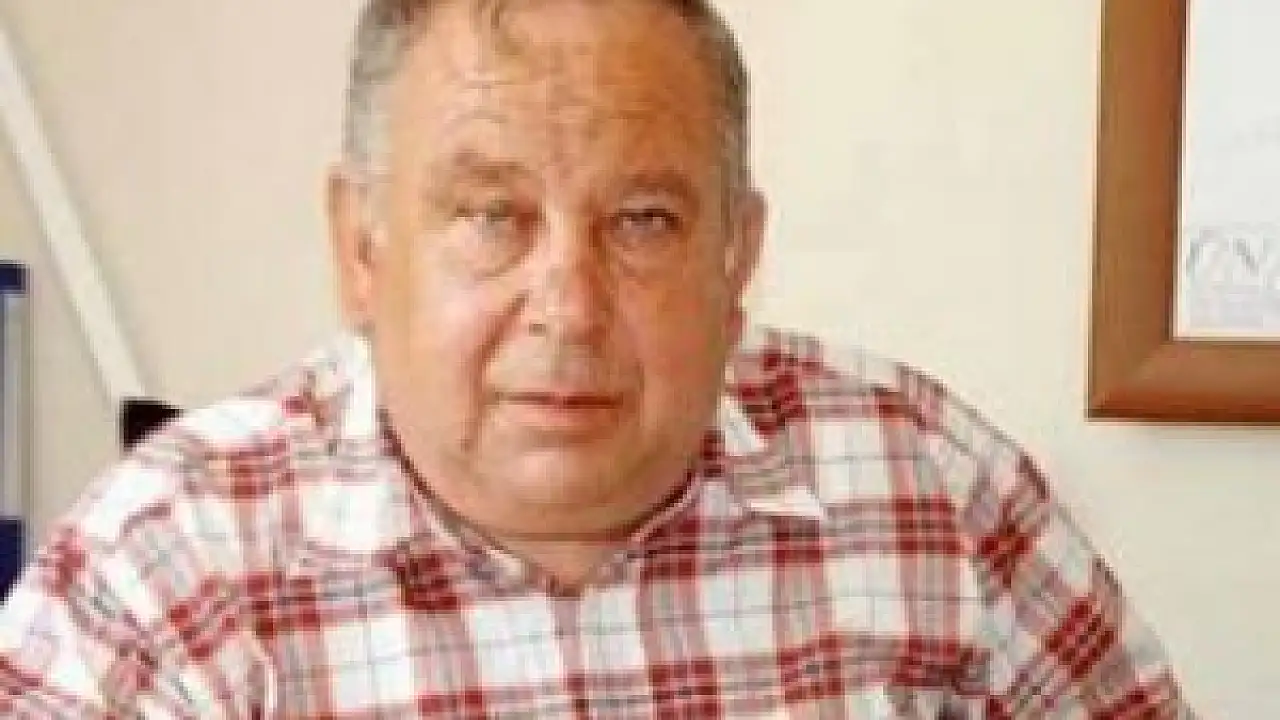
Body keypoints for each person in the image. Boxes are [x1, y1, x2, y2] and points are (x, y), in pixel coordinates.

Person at [0, 0, 1196, 716]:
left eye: (643, 221)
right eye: (490, 216)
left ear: (736, 254)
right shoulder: (161, 571)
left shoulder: (928, 488)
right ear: (361, 248)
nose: (567, 308)